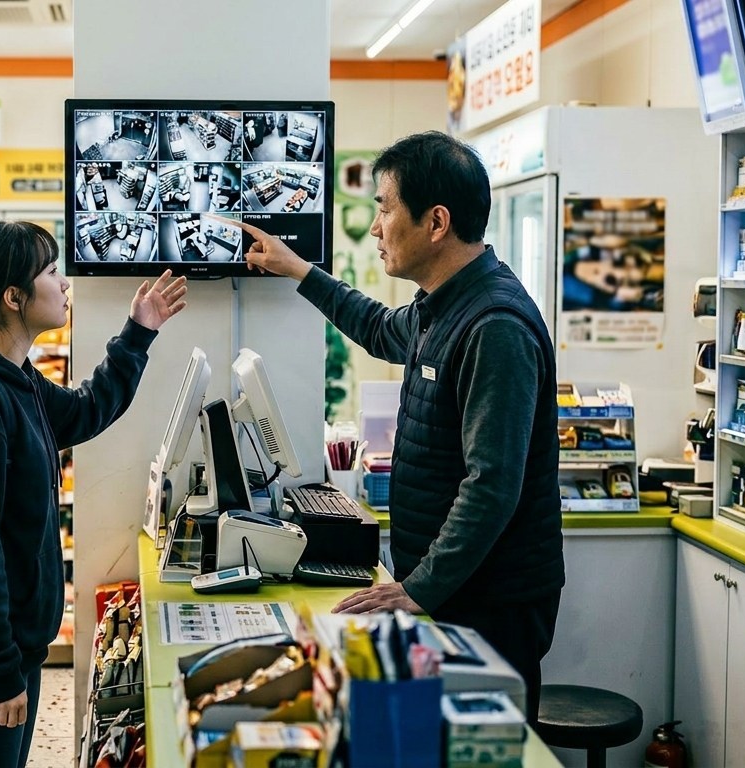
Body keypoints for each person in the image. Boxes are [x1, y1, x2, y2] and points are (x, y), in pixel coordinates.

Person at [238, 131, 564, 722]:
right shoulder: (442, 305)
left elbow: (491, 485)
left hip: (490, 602)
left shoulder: (495, 325)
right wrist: (299, 271)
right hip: (448, 589)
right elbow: (377, 327)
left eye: (385, 209)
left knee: (476, 753)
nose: (375, 228)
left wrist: (419, 589)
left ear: (436, 222)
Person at [0, 221, 187, 767]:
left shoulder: (13, 378)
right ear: (13, 297)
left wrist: (138, 332)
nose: (64, 284)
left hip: (10, 650)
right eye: (52, 272)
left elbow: (83, 412)